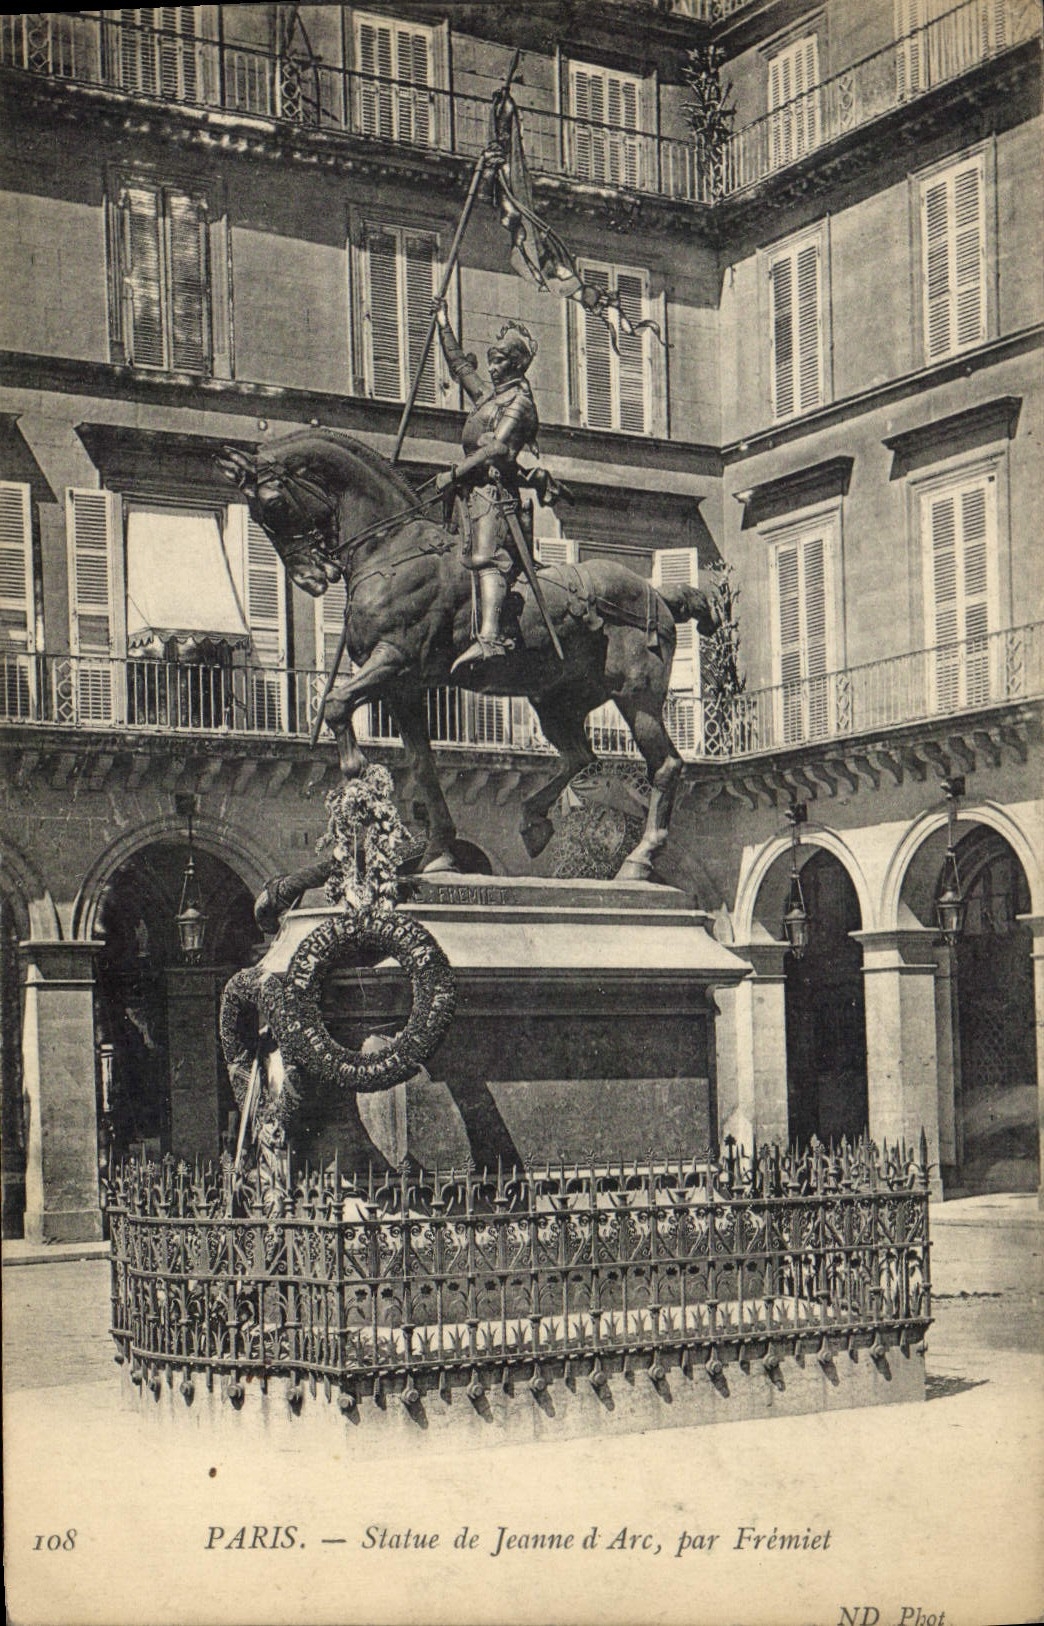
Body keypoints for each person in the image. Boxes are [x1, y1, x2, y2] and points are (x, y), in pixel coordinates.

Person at [432, 298, 540, 672]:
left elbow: (497, 447)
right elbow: (461, 367)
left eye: (499, 362)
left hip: (495, 494)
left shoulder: (520, 401)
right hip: (469, 492)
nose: (492, 368)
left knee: (485, 559)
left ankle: (491, 639)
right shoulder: (490, 397)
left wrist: (456, 473)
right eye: (491, 361)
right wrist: (443, 323)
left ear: (517, 364)